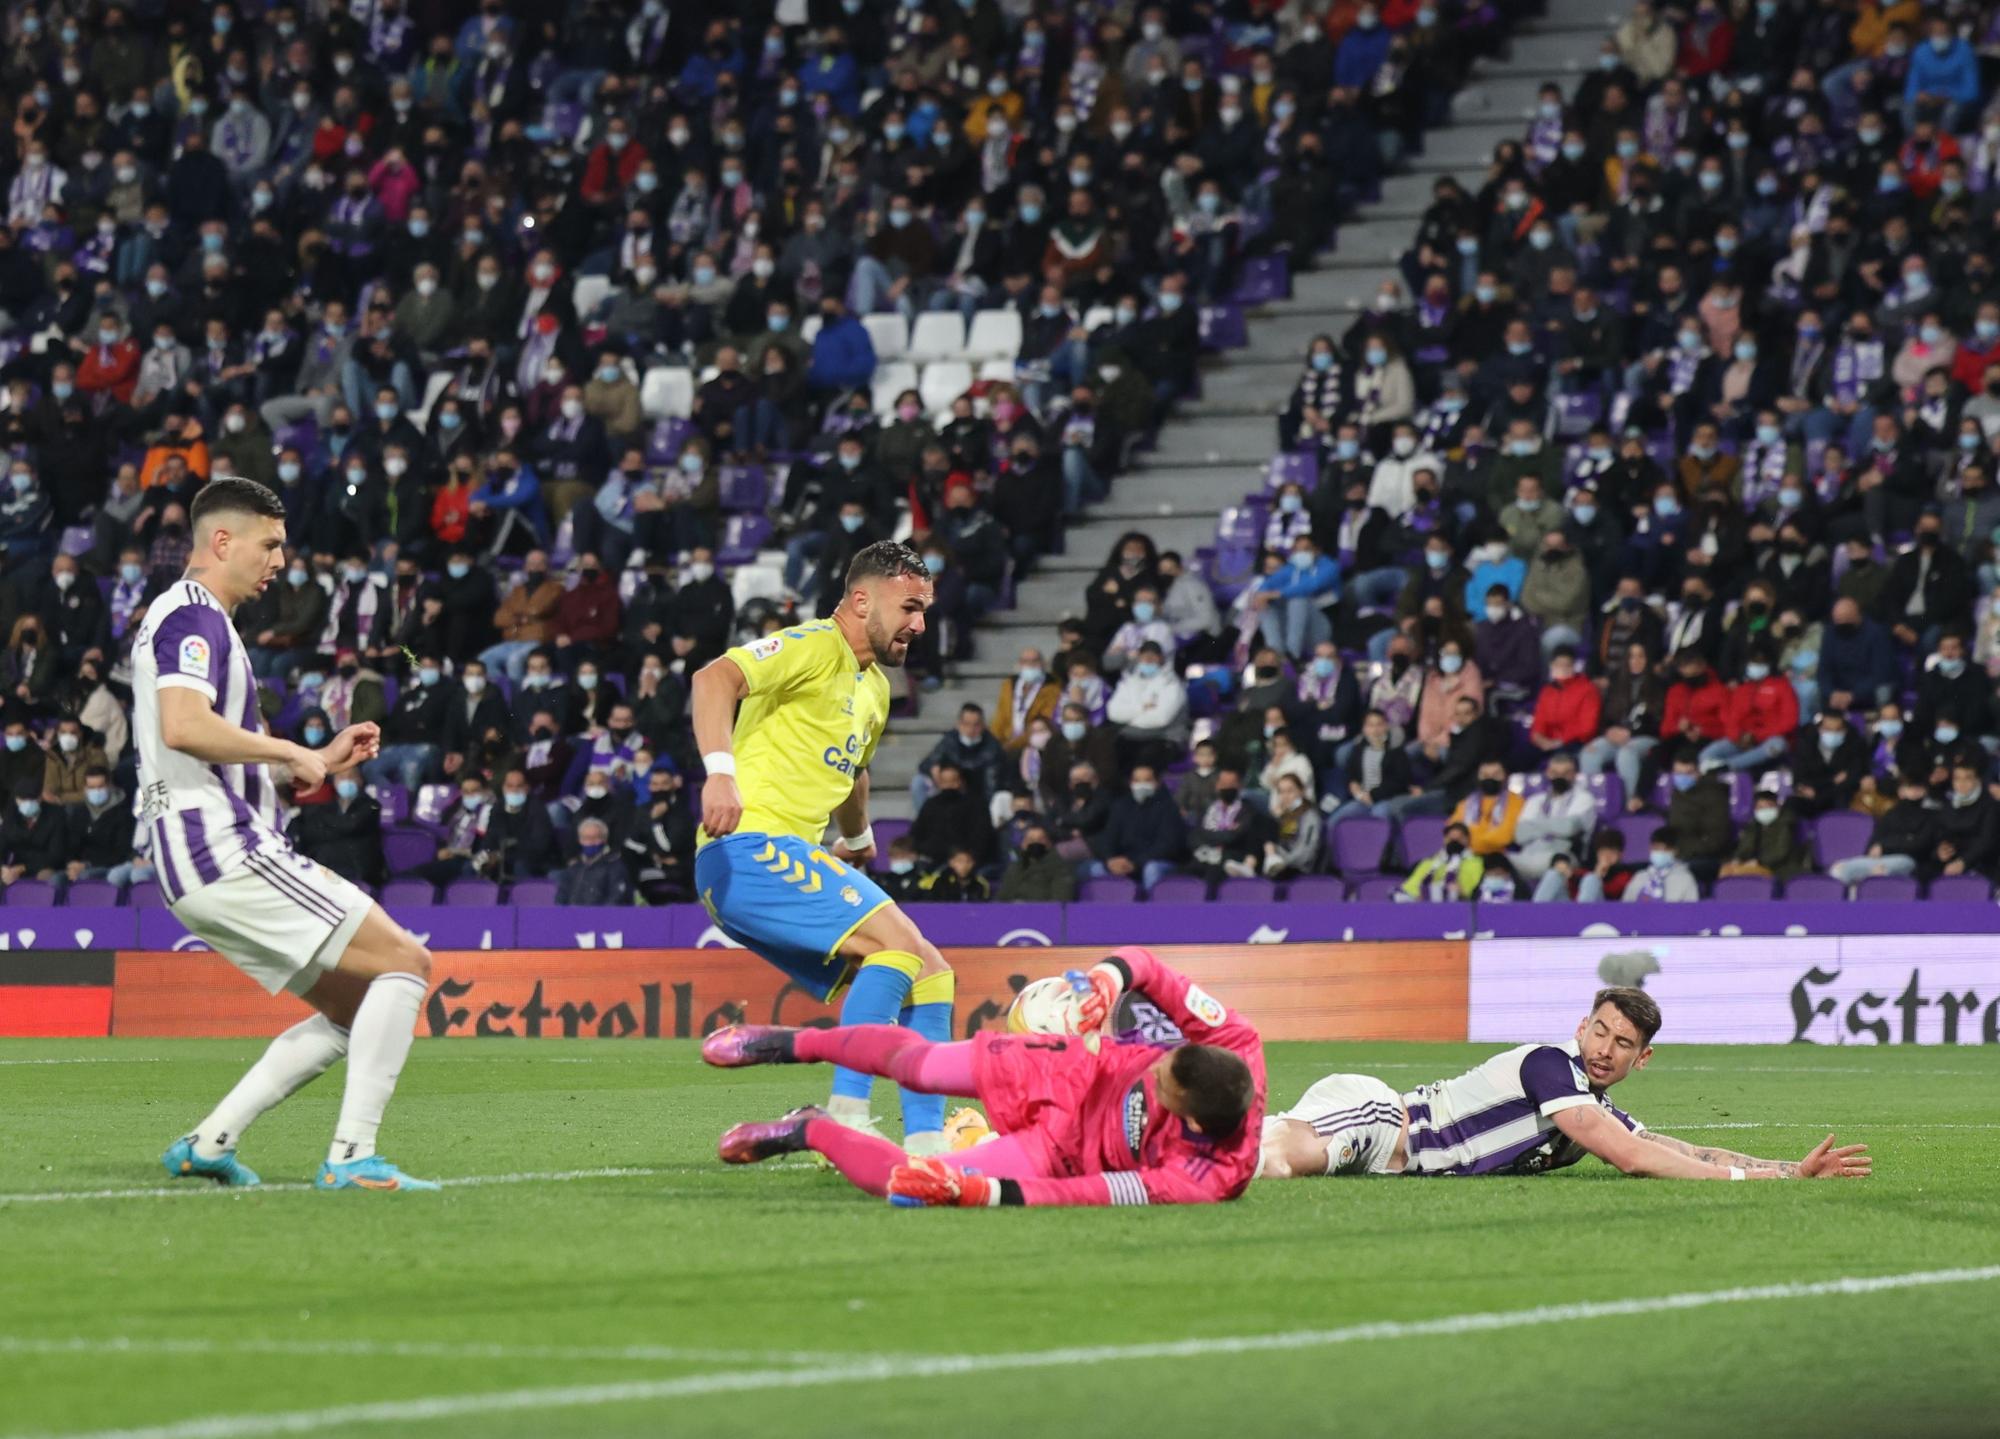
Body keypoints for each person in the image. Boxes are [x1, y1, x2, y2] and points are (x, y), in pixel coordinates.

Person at [136, 479, 435, 1193]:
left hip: (195, 854)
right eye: (269, 545)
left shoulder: (200, 623)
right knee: (407, 961)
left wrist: (317, 759)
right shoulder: (193, 614)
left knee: (355, 1005)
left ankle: (210, 1142)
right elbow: (184, 724)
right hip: (219, 848)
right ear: (221, 541)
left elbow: (200, 744)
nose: (280, 561)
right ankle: (352, 1156)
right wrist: (287, 753)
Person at [692, 541, 955, 1156]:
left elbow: (854, 773)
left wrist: (858, 838)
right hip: (747, 846)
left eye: (925, 611)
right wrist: (720, 772)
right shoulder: (814, 645)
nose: (919, 624)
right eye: (909, 607)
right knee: (897, 946)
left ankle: (926, 1143)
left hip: (786, 857)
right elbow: (715, 678)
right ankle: (845, 1117)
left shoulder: (876, 690)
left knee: (932, 971)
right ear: (861, 600)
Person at [705, 946, 1265, 1208]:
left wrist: (985, 1193)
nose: (1154, 1065)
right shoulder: (1235, 1043)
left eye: (1162, 1081)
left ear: (1190, 1116)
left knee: (911, 1184)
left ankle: (809, 1130)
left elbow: (1088, 1192)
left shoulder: (1205, 1180)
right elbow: (1149, 966)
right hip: (1067, 1068)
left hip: (1061, 1152)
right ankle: (787, 1043)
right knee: (916, 1066)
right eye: (1163, 1057)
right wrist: (1108, 981)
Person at [1258, 987, 1869, 1181]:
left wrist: (1788, 1172)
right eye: (1599, 1031)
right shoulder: (1550, 1064)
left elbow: (1671, 1149)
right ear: (1582, 1026)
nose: (1604, 1048)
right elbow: (1632, 1158)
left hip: (1392, 1163)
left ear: (1643, 1057)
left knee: (1276, 1166)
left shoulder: (1591, 1103)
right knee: (1276, 1157)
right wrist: (1741, 1181)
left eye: (1622, 1042)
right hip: (1382, 1118)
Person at [555, 816, 633, 905]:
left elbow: (616, 900)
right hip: (572, 917)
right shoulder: (574, 869)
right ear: (580, 840)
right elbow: (560, 899)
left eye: (596, 837)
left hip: (601, 917)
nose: (591, 842)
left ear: (604, 839)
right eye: (587, 838)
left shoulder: (615, 868)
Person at [997, 823, 1077, 902]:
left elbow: (1060, 901)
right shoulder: (1015, 867)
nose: (1035, 843)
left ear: (1049, 843)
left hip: (1041, 911)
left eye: (1040, 840)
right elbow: (1001, 899)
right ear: (1023, 844)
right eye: (1030, 840)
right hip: (1012, 911)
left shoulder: (1060, 868)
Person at [1624, 826, 1700, 902]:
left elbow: (1692, 910)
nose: (1658, 852)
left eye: (1664, 848)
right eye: (1655, 848)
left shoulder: (1685, 879)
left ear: (1675, 850)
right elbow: (1624, 907)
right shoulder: (1640, 877)